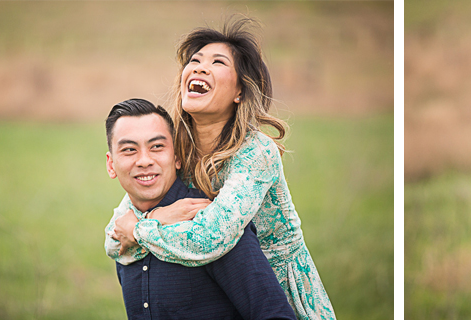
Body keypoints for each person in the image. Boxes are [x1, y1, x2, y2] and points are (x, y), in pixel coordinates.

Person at [105, 19, 336, 319]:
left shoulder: (256, 152)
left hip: (273, 293)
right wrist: (148, 220)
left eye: (217, 62)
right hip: (218, 290)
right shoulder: (178, 147)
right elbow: (116, 234)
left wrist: (143, 228)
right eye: (195, 60)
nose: (200, 67)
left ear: (240, 91)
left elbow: (212, 237)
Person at [103, 98, 295, 319]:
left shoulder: (211, 222)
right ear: (111, 165)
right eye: (129, 150)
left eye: (157, 146)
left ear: (177, 157)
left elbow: (275, 314)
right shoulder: (123, 234)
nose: (144, 160)